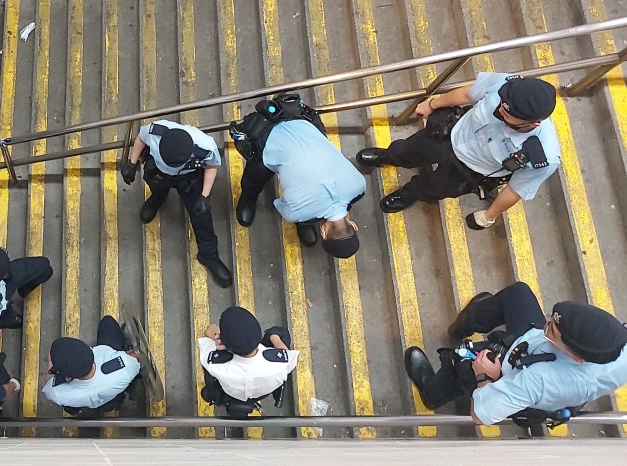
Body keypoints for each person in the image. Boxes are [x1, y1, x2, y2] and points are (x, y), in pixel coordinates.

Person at [405, 282, 627, 426]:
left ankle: (431, 395)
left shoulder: (538, 380)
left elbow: (481, 415)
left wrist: (485, 377)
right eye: (550, 318)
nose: (546, 322)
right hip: (531, 347)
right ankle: (467, 323)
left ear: (576, 356)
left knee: (461, 361)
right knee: (518, 293)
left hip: (513, 369)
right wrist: (549, 334)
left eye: (551, 328)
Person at [356, 73, 560, 229]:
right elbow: (466, 93)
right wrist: (432, 104)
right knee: (407, 150)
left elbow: (516, 190)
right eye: (501, 105)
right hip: (450, 135)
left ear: (532, 123)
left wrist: (489, 216)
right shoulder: (508, 85)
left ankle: (410, 193)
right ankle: (389, 157)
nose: (499, 110)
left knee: (433, 188)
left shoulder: (543, 155)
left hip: (470, 170)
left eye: (507, 113)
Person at [234, 114, 365, 259]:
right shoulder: (296, 213)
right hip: (268, 136)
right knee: (254, 177)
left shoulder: (360, 186)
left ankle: (306, 217)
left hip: (304, 123)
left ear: (354, 226)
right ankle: (249, 196)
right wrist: (305, 211)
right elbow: (279, 203)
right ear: (323, 233)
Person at [120, 119, 232, 287]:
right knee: (157, 187)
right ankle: (158, 198)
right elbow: (141, 139)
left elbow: (211, 167)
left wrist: (204, 196)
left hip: (189, 178)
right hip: (158, 173)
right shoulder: (156, 131)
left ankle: (208, 254)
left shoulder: (205, 146)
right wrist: (132, 162)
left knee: (201, 217)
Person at [198, 306, 299, 415]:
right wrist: (273, 336)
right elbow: (286, 355)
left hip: (229, 393)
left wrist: (218, 338)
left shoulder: (215, 366)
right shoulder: (280, 365)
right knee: (280, 332)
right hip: (262, 393)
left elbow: (209, 330)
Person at [41, 315, 141, 415]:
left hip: (87, 401)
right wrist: (128, 353)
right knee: (108, 322)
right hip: (112, 387)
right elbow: (136, 356)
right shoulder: (126, 367)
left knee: (69, 407)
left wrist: (54, 361)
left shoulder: (57, 393)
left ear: (68, 378)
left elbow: (48, 379)